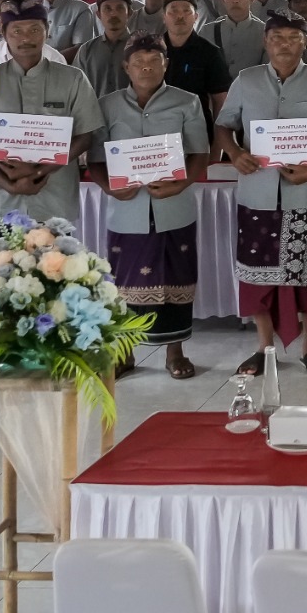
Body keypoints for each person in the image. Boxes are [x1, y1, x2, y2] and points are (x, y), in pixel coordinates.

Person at [216, 12, 307, 375]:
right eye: (276, 37)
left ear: (305, 41)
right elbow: (224, 125)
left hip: (304, 192)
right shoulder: (247, 80)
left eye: (293, 37)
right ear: (265, 41)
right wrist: (235, 153)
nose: (284, 44)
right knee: (256, 274)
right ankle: (263, 348)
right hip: (257, 193)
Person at [89, 32, 210, 379]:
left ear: (165, 65)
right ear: (126, 67)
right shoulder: (107, 105)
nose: (147, 68)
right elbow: (95, 159)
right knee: (123, 283)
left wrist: (181, 183)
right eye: (139, 63)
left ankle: (175, 352)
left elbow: (200, 154)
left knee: (177, 279)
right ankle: (124, 353)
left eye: (154, 61)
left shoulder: (187, 102)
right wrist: (109, 188)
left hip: (174, 208)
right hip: (127, 211)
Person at [0, 0, 104, 229]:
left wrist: (41, 170)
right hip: (1, 198)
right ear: (3, 34)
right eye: (17, 31)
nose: (26, 39)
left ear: (47, 30)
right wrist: (7, 182)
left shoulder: (72, 78)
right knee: (2, 265)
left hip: (55, 196)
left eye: (34, 30)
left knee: (59, 265)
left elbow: (85, 135)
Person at [70, 0, 137, 97]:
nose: (113, 14)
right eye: (107, 8)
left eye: (120, 8)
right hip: (94, 111)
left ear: (129, 13)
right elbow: (76, 87)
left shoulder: (141, 48)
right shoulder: (87, 50)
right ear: (98, 14)